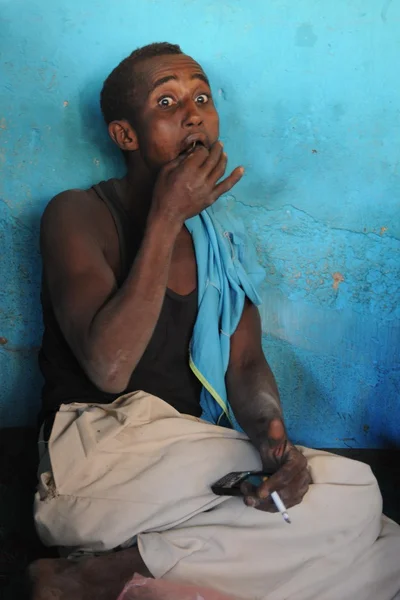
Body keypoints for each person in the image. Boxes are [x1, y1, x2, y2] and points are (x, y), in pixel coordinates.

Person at [31, 43, 400, 600]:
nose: (193, 112)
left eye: (201, 97)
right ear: (126, 136)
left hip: (188, 468)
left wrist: (271, 438)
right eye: (167, 101)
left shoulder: (220, 240)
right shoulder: (77, 214)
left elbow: (246, 363)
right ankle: (92, 577)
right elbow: (109, 367)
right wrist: (165, 216)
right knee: (355, 492)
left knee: (385, 547)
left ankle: (137, 570)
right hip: (97, 462)